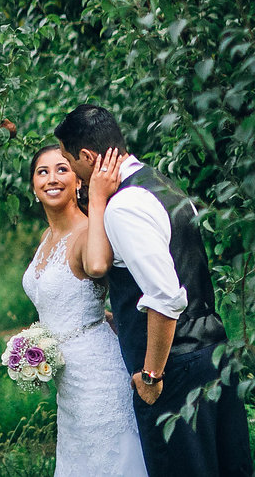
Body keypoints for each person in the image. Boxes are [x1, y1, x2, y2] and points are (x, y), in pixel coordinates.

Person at [57, 104, 254, 477]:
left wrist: (151, 376)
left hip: (175, 370)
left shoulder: (123, 207)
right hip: (213, 354)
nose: (75, 176)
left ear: (86, 157)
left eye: (70, 161)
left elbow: (166, 298)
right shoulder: (160, 182)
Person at [23, 143, 150, 477]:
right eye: (42, 172)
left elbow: (97, 269)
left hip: (99, 375)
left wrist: (98, 198)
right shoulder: (46, 237)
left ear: (78, 181)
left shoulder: (88, 230)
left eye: (62, 168)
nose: (52, 178)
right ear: (34, 187)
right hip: (69, 383)